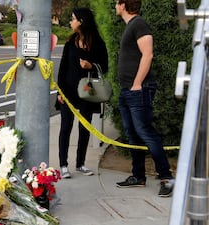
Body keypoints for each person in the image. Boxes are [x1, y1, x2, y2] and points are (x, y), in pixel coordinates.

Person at [115, 0, 175, 197]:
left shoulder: (139, 24)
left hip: (138, 89)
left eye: (117, 2)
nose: (115, 6)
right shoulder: (131, 26)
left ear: (123, 5)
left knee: (145, 132)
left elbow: (148, 55)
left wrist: (137, 83)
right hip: (127, 91)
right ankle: (138, 176)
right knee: (133, 134)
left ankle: (166, 177)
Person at [55, 7, 108, 178]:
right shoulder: (70, 42)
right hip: (68, 91)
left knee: (84, 128)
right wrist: (60, 92)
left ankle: (80, 164)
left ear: (82, 21)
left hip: (87, 91)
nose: (71, 22)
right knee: (65, 127)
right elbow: (62, 69)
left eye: (73, 19)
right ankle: (63, 164)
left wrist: (90, 66)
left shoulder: (97, 43)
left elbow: (105, 67)